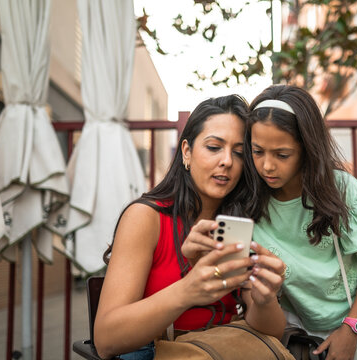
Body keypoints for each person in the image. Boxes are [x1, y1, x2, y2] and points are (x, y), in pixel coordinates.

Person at [94, 94, 288, 360]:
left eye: (239, 153)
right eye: (213, 147)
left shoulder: (237, 224)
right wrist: (187, 291)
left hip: (222, 350)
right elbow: (106, 340)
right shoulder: (146, 217)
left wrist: (266, 299)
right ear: (186, 151)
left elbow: (272, 332)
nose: (227, 161)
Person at [244, 85, 357, 360]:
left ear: (307, 149)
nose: (267, 166)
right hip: (296, 332)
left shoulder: (341, 190)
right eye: (257, 151)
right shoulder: (249, 201)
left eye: (282, 154)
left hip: (356, 323)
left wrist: (352, 327)